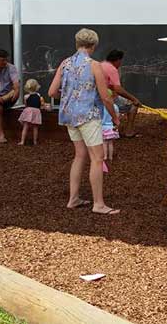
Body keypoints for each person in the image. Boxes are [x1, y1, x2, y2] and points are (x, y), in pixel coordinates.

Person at [48, 28, 121, 215]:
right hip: (88, 116)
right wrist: (114, 116)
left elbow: (51, 92)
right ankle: (99, 204)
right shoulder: (94, 65)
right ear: (94, 45)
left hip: (69, 116)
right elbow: (106, 97)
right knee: (97, 158)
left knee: (79, 156)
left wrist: (69, 96)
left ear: (77, 43)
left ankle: (73, 199)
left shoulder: (65, 63)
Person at [101, 50, 142, 138]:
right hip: (106, 99)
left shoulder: (102, 64)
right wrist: (134, 99)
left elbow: (108, 85)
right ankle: (129, 131)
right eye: (121, 61)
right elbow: (118, 89)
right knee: (133, 106)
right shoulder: (112, 69)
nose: (120, 64)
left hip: (98, 97)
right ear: (118, 60)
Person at [17, 79, 45, 146]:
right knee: (35, 127)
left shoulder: (26, 96)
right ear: (36, 87)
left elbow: (26, 105)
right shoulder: (39, 95)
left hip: (28, 111)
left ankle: (22, 141)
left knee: (25, 126)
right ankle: (35, 142)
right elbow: (40, 104)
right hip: (36, 111)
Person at [101, 90, 120, 170]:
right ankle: (111, 157)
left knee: (104, 143)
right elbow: (117, 116)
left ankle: (105, 156)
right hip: (111, 127)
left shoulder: (101, 106)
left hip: (103, 127)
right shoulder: (115, 107)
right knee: (111, 143)